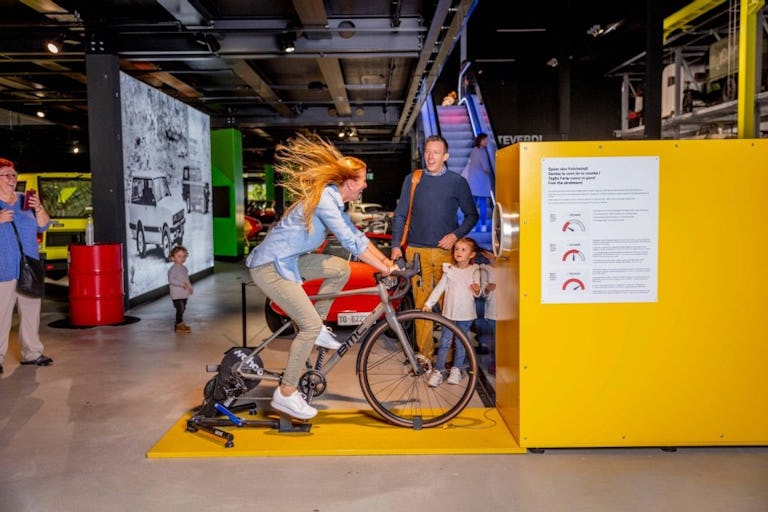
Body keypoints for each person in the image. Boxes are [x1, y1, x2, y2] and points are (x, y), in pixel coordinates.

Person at [245, 133, 399, 420]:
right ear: (349, 182)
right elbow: (351, 242)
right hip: (269, 267)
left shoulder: (332, 200)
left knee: (340, 268)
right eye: (363, 180)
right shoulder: (325, 201)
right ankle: (287, 392)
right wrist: (386, 268)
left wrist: (388, 263)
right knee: (307, 326)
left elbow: (356, 236)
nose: (365, 185)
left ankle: (320, 328)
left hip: (289, 261)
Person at [390, 134, 478, 360]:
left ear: (445, 156)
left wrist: (455, 235)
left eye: (436, 152)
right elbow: (400, 215)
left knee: (449, 306)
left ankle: (450, 359)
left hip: (445, 255)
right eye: (428, 151)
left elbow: (472, 216)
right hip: (416, 252)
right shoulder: (413, 179)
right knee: (422, 306)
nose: (430, 156)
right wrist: (395, 246)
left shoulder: (457, 183)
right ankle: (425, 357)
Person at [0, 157, 53, 374]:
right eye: (7, 175)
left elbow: (44, 226)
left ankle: (32, 353)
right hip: (3, 270)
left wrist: (39, 207)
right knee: (1, 316)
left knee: (31, 313)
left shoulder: (24, 201)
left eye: (14, 175)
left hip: (28, 268)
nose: (13, 179)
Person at [421, 237, 479, 387]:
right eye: (457, 249)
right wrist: (428, 304)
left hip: (465, 314)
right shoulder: (449, 270)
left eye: (463, 250)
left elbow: (479, 291)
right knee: (445, 343)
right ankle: (438, 371)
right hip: (448, 314)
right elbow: (439, 289)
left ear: (472, 255)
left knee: (461, 343)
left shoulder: (475, 270)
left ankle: (456, 370)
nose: (459, 252)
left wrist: (478, 290)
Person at [463, 133, 493, 232]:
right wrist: (491, 170)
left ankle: (472, 226)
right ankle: (483, 225)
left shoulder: (473, 151)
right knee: (483, 203)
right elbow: (485, 167)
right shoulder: (482, 151)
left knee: (473, 204)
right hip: (481, 182)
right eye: (485, 140)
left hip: (473, 181)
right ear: (481, 140)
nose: (486, 142)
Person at [168, 245, 193, 333]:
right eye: (179, 256)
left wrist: (190, 287)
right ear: (172, 258)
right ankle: (179, 325)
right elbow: (171, 280)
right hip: (176, 294)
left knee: (183, 308)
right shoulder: (172, 269)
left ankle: (180, 323)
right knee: (180, 308)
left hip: (184, 294)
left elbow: (187, 279)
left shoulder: (184, 268)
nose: (182, 258)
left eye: (184, 256)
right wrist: (181, 284)